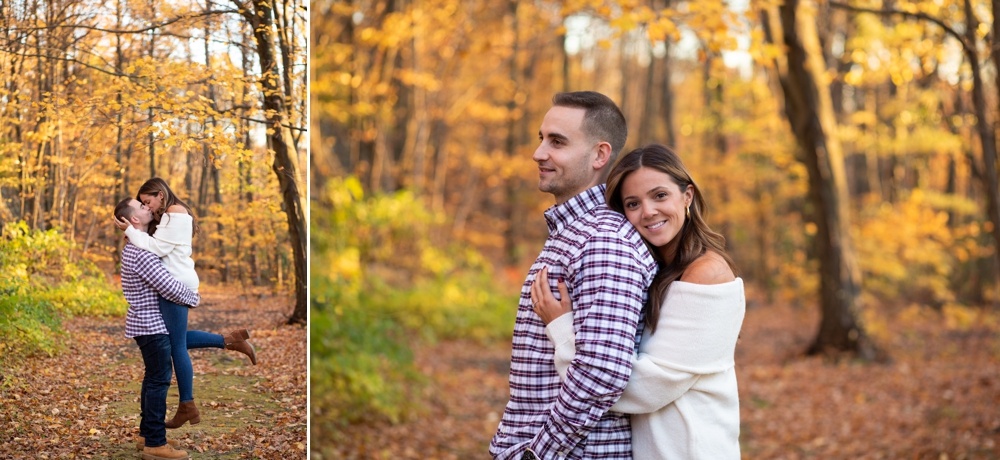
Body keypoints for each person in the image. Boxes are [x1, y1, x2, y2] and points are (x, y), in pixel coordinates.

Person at [531, 144, 745, 459]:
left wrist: (563, 331)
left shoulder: (707, 274)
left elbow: (643, 390)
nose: (648, 212)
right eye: (633, 203)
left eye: (660, 195)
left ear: (687, 196)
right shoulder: (656, 270)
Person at [489, 91, 657, 460]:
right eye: (541, 138)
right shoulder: (575, 234)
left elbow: (603, 372)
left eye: (557, 142)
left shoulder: (603, 242)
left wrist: (538, 453)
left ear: (599, 155)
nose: (539, 153)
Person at [115, 178, 257, 431]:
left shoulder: (174, 214)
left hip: (177, 285)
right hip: (177, 283)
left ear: (160, 195)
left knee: (175, 345)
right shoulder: (169, 215)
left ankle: (187, 404)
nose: (148, 207)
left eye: (148, 202)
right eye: (143, 205)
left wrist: (130, 231)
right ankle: (230, 341)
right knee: (173, 340)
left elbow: (156, 248)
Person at [115, 197, 195, 460]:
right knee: (159, 381)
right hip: (151, 325)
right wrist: (194, 297)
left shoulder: (136, 247)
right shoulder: (141, 253)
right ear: (134, 219)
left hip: (145, 324)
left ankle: (146, 436)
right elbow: (168, 286)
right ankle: (155, 445)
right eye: (141, 207)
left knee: (153, 380)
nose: (147, 207)